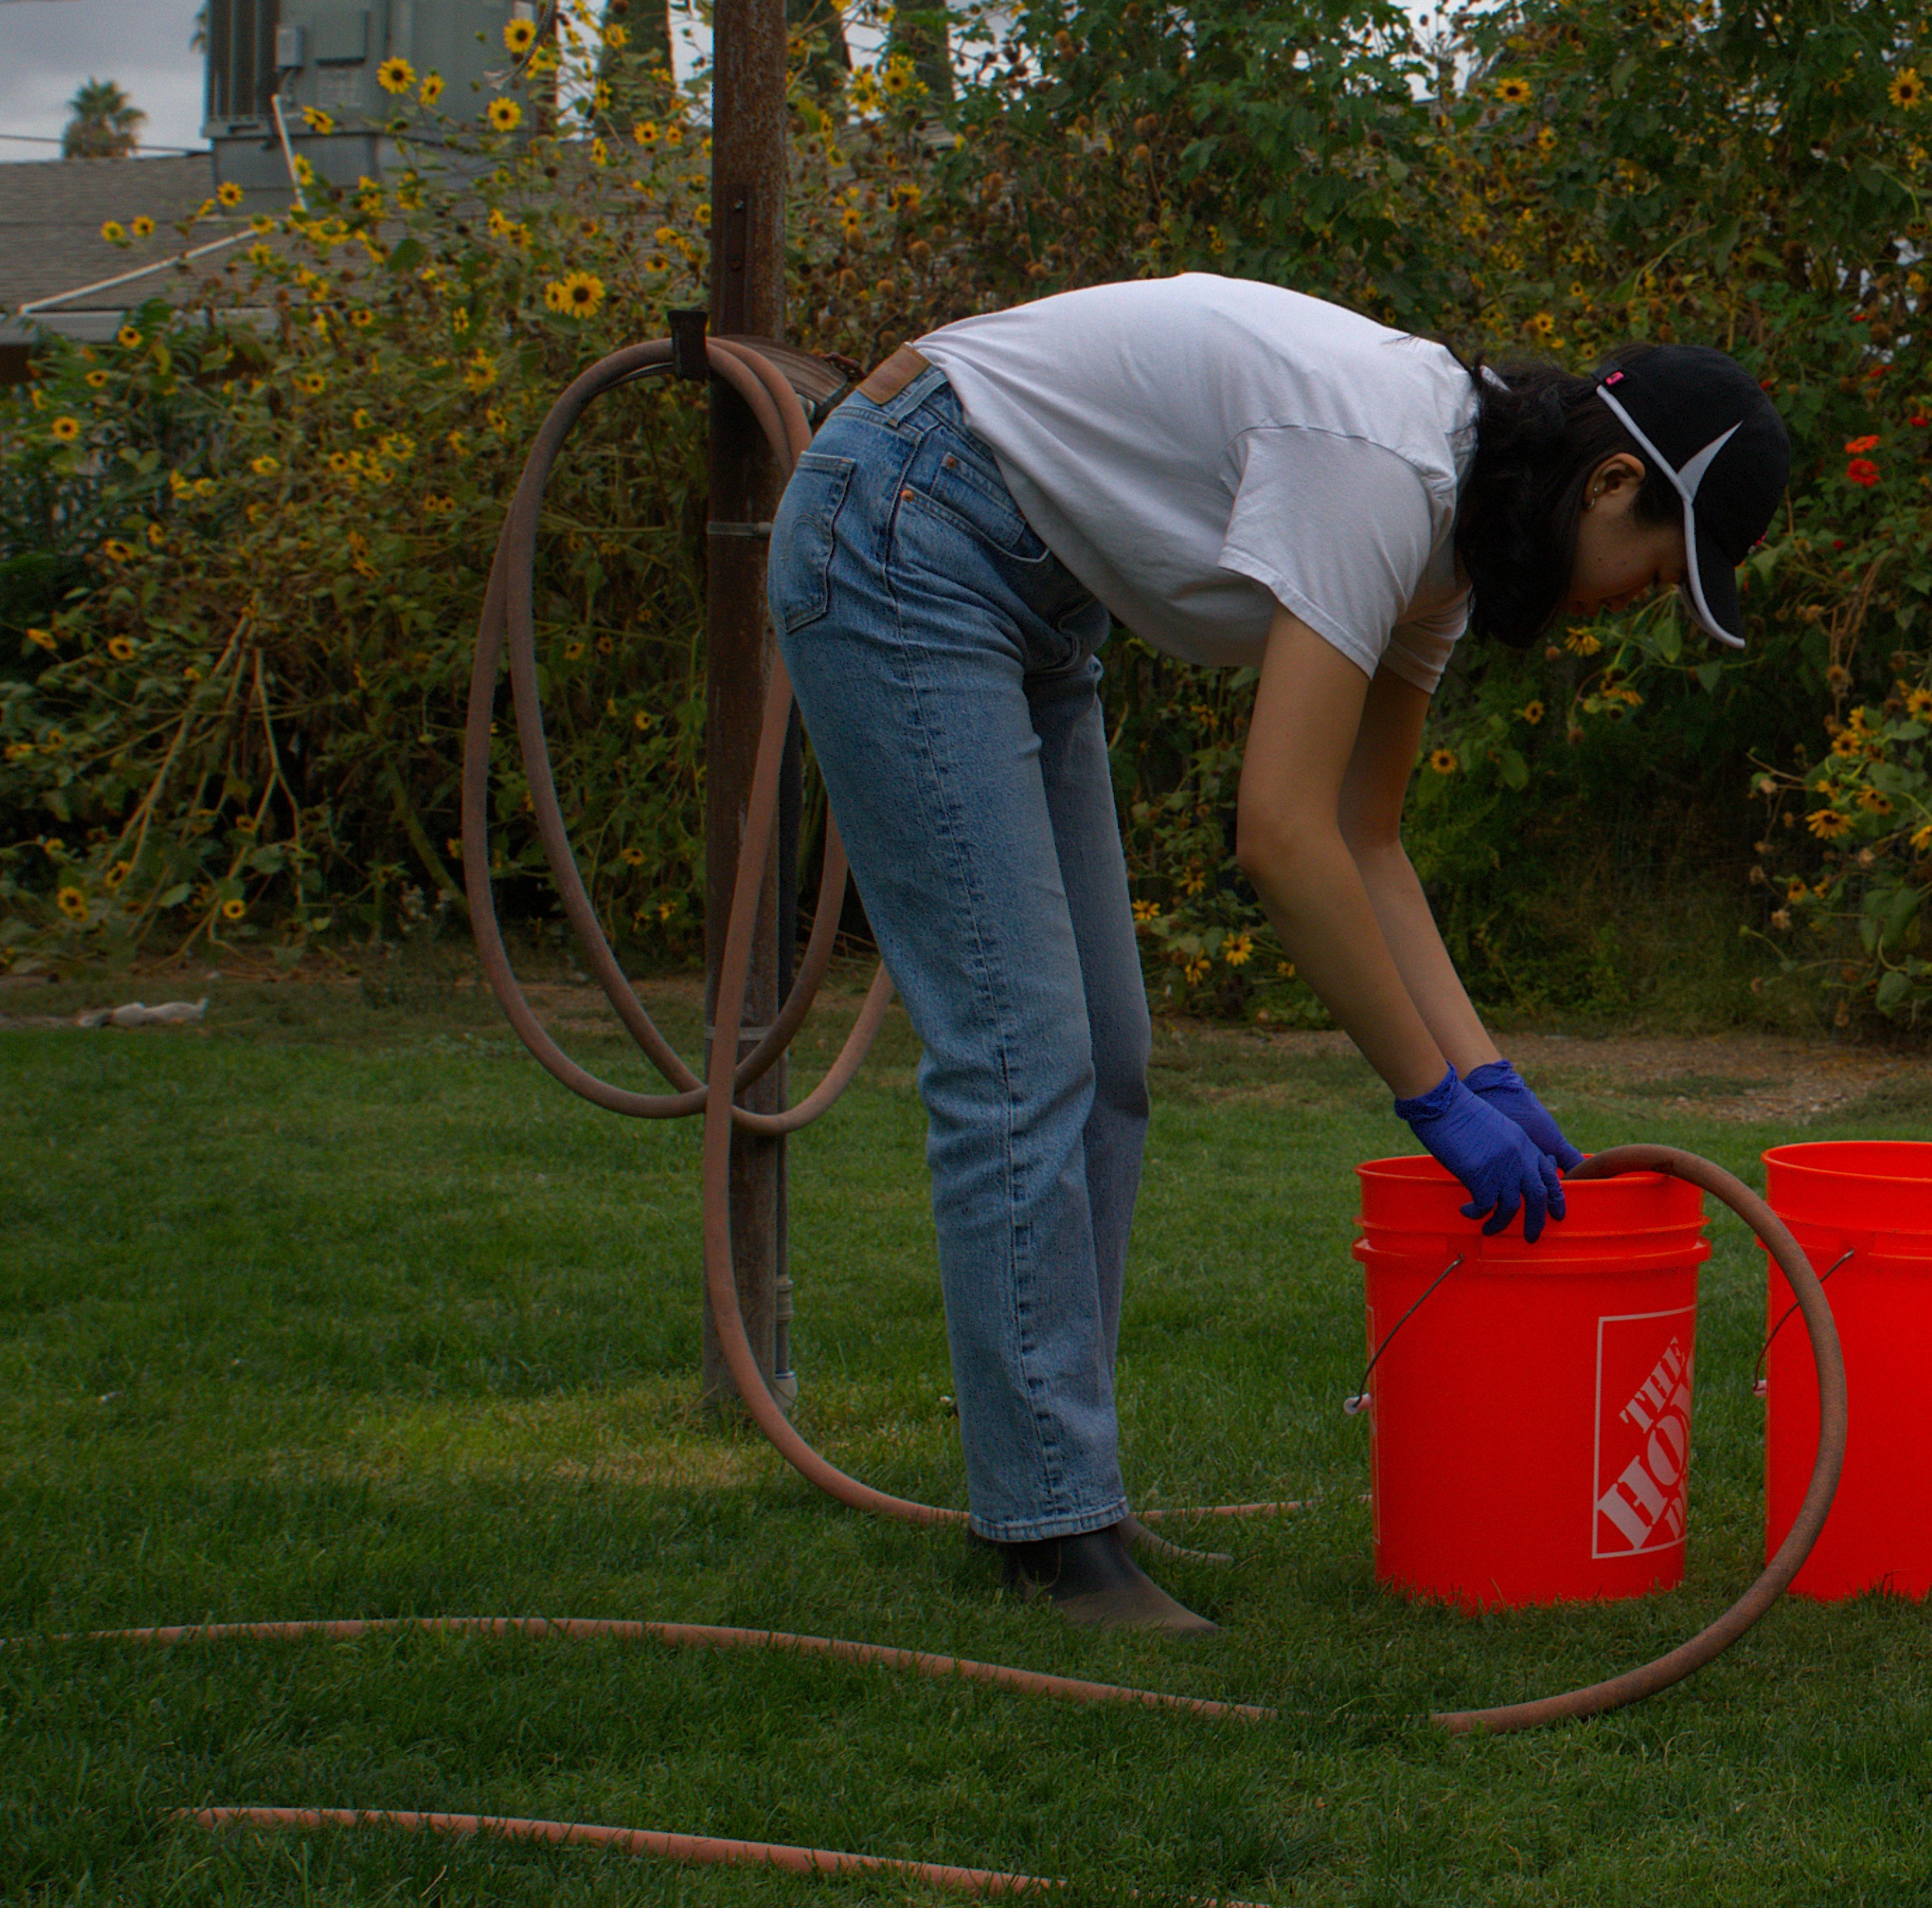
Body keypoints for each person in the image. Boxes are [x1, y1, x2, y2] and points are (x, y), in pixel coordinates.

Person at [766, 273, 1791, 1631]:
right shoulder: (1383, 467)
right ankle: (1051, 1534)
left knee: (1107, 1063)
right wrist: (1427, 1096)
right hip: (907, 525)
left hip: (1032, 586)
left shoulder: (1462, 535)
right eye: (1659, 570)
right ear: (1611, 485)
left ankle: (1069, 1494)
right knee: (1022, 1053)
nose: (1636, 603)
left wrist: (1493, 1083)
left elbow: (1371, 840)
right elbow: (1283, 837)